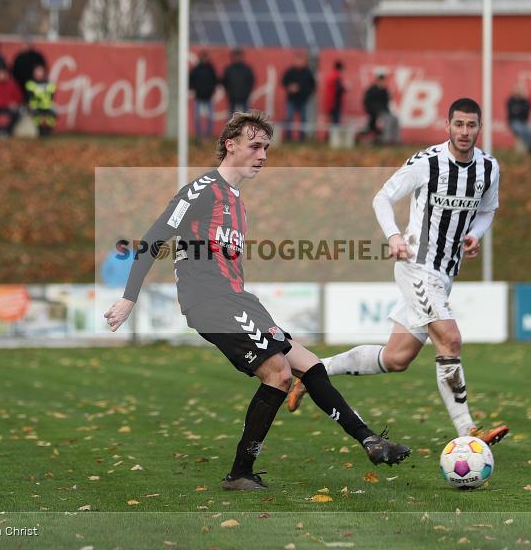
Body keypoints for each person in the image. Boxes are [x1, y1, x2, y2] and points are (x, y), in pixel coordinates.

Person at [104, 111, 410, 491]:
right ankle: (240, 472)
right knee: (279, 374)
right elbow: (152, 241)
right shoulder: (200, 191)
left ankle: (369, 440)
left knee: (308, 364)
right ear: (230, 144)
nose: (263, 155)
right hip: (210, 301)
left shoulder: (236, 201)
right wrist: (129, 298)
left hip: (238, 300)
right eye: (255, 146)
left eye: (266, 147)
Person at [287, 98, 510, 449]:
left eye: (471, 125)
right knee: (450, 340)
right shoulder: (428, 162)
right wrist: (393, 235)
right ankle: (468, 431)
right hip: (416, 265)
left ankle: (311, 371)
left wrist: (474, 235)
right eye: (458, 124)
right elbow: (382, 197)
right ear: (448, 126)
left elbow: (487, 211)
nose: (464, 132)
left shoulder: (488, 168)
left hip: (445, 272)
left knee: (396, 358)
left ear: (479, 128)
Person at [281, 51, 316, 142]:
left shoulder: (307, 72)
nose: (299, 62)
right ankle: (288, 138)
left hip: (303, 100)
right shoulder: (290, 71)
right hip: (292, 100)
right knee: (289, 118)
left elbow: (313, 86)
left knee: (303, 119)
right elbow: (283, 82)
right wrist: (290, 87)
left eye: (301, 60)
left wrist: (304, 91)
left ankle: (302, 138)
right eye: (297, 60)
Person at [189, 50, 217, 138]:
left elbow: (215, 80)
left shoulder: (211, 68)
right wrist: (193, 88)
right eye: (203, 57)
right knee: (197, 118)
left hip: (208, 96)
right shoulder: (196, 69)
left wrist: (213, 90)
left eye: (205, 57)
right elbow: (191, 80)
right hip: (199, 96)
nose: (204, 59)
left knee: (210, 118)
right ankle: (198, 135)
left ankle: (209, 134)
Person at [25, 64, 56, 137]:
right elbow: (29, 97)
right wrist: (30, 105)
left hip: (47, 106)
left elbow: (51, 97)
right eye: (37, 71)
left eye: (40, 71)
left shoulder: (50, 84)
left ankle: (48, 131)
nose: (39, 73)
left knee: (52, 115)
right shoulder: (30, 84)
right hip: (35, 106)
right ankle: (39, 131)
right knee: (37, 117)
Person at [221, 48, 254, 115]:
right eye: (235, 56)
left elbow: (251, 81)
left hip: (244, 97)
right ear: (232, 57)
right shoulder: (229, 69)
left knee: (246, 117)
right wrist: (229, 92)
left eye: (239, 56)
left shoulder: (246, 68)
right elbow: (224, 81)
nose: (237, 58)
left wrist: (247, 92)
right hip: (232, 97)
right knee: (232, 117)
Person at [362, 73, 391, 143]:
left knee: (392, 120)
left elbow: (386, 102)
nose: (382, 82)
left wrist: (386, 111)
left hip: (382, 112)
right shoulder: (372, 90)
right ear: (378, 80)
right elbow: (367, 101)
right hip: (373, 112)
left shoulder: (384, 90)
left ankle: (389, 139)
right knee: (374, 123)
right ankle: (375, 139)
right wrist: (373, 111)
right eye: (381, 80)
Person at [506, 85, 531, 152]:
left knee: (529, 130)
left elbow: (526, 111)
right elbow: (512, 113)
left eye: (519, 90)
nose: (517, 92)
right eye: (516, 90)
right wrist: (520, 111)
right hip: (514, 121)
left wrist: (518, 110)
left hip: (524, 121)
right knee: (520, 129)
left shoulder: (525, 101)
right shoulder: (510, 101)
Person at [322, 60, 346, 127]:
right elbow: (338, 88)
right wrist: (345, 88)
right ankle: (333, 136)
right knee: (335, 121)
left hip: (330, 101)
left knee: (331, 120)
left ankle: (329, 135)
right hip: (335, 101)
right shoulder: (336, 76)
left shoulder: (331, 75)